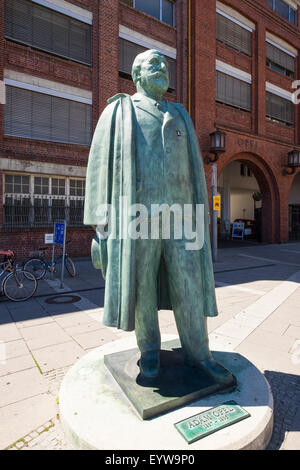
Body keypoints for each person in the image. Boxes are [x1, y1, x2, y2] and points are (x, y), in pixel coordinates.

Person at [84, 49, 234, 385]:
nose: (163, 69)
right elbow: (98, 168)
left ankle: (200, 354)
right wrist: (99, 224)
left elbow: (195, 172)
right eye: (154, 65)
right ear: (136, 75)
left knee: (190, 286)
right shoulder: (119, 112)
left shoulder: (180, 113)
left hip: (182, 217)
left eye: (165, 66)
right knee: (143, 287)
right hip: (139, 217)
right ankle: (149, 352)